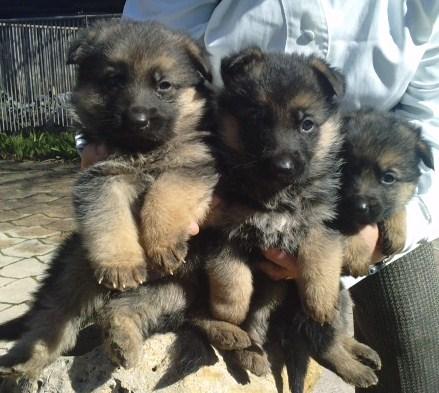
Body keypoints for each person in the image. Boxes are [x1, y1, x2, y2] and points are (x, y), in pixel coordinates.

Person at [78, 2, 439, 392]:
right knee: (162, 276)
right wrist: (106, 152)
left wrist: (391, 228)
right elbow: (138, 55)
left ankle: (327, 340)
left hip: (357, 184)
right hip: (213, 162)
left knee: (420, 358)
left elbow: (428, 122)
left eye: (304, 124)